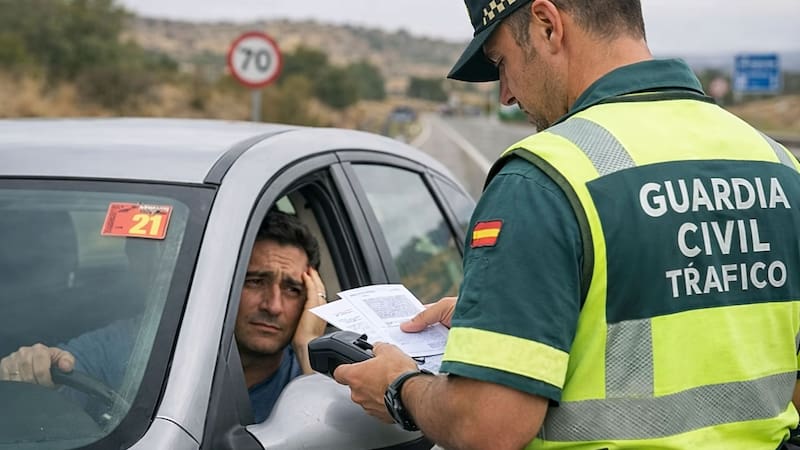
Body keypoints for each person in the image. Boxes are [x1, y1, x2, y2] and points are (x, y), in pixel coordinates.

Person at [333, 1, 800, 449]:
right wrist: (514, 320)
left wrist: (400, 387)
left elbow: (489, 425)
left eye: (501, 63)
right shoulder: (779, 165)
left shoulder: (542, 180)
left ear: (547, 25)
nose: (507, 94)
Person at [0, 210, 328, 423]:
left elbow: (331, 429)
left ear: (310, 299)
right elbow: (63, 369)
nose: (273, 305)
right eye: (255, 281)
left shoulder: (314, 376)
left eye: (292, 290)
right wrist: (32, 368)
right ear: (222, 282)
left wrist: (310, 346)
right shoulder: (134, 346)